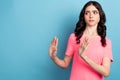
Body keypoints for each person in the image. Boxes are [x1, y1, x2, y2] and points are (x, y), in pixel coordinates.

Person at [49, 1, 113, 80]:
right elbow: (65, 64)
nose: (91, 15)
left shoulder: (106, 42)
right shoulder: (74, 37)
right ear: (83, 16)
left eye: (95, 12)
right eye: (87, 13)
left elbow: (106, 72)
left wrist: (85, 57)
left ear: (100, 16)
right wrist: (53, 57)